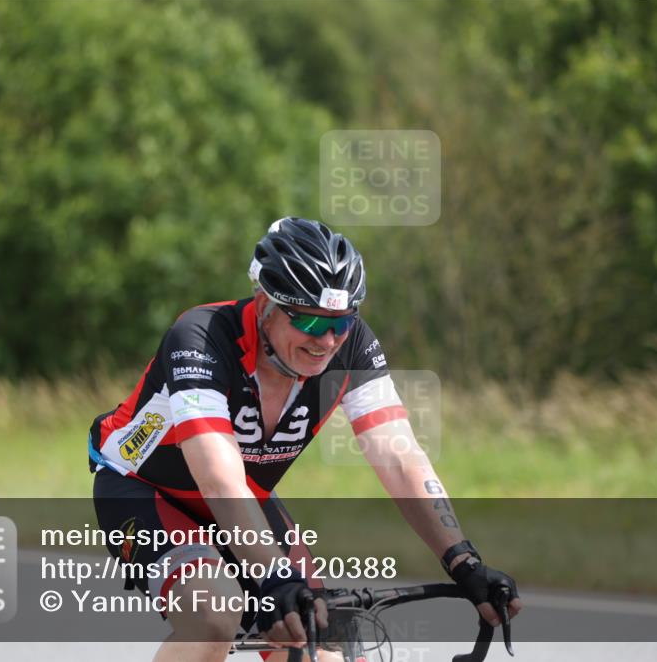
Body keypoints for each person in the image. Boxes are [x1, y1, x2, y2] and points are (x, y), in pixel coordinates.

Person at [89, 217, 522, 662]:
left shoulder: (351, 350)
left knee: (317, 635)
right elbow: (220, 480)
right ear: (265, 304)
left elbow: (398, 456)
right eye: (312, 323)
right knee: (214, 613)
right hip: (144, 490)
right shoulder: (202, 338)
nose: (328, 340)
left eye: (343, 322)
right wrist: (275, 575)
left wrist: (461, 559)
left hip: (245, 500)